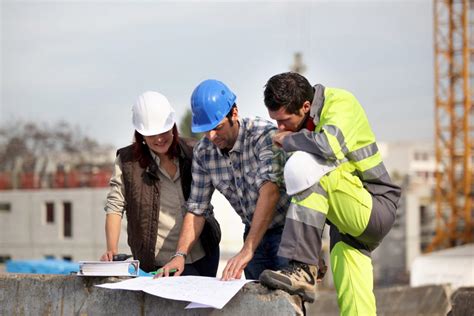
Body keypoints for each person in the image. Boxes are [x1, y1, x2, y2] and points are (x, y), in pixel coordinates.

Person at [258, 72, 402, 315]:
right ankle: (307, 263)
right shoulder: (306, 126)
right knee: (355, 305)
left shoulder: (341, 103)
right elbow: (312, 202)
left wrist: (291, 139)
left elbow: (328, 147)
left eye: (284, 121)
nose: (279, 129)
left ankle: (303, 267)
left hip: (375, 206)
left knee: (305, 167)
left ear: (306, 106)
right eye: (276, 122)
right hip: (345, 225)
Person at [157, 79, 290, 280]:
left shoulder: (263, 136)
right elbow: (196, 209)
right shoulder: (204, 153)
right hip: (253, 233)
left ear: (234, 114)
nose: (211, 136)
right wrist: (180, 255)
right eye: (205, 130)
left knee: (289, 304)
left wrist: (247, 250)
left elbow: (270, 192)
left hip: (287, 232)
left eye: (217, 127)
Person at [100, 91, 219, 277]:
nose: (159, 139)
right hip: (159, 262)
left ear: (172, 126)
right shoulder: (127, 162)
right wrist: (111, 250)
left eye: (163, 131)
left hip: (203, 252)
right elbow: (115, 206)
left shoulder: (194, 151)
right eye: (151, 134)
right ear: (140, 134)